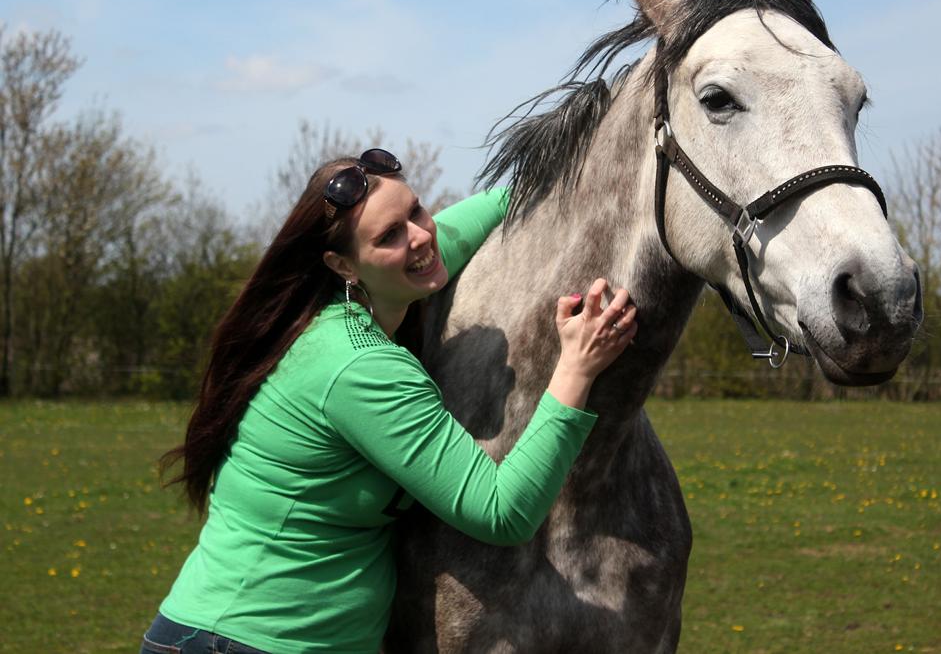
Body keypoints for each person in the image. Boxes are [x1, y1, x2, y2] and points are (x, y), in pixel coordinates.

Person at [141, 148, 637, 654]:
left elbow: (472, 220)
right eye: (389, 236)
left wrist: (587, 166)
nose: (419, 236)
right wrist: (577, 368)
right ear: (343, 265)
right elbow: (501, 510)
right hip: (237, 642)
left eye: (416, 210)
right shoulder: (359, 367)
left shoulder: (364, 297)